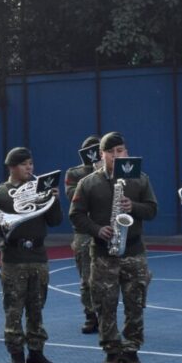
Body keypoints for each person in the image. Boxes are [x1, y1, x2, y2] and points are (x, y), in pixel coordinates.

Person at [70, 132, 157, 363]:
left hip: (134, 251)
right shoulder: (88, 182)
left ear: (127, 152)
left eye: (121, 151)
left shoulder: (140, 178)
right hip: (103, 253)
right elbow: (75, 215)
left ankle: (131, 350)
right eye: (112, 152)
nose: (117, 156)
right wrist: (97, 230)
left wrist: (133, 207)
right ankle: (111, 350)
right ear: (103, 155)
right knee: (105, 305)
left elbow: (152, 210)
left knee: (135, 303)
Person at [0, 147, 58, 363]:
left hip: (38, 256)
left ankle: (36, 352)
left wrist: (54, 200)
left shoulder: (40, 190)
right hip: (13, 258)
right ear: (12, 167)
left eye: (31, 164)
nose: (30, 168)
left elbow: (55, 220)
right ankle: (16, 354)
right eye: (24, 164)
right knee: (13, 309)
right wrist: (2, 223)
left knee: (37, 308)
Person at [64, 135, 101, 334]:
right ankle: (90, 315)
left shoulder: (110, 172)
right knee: (86, 278)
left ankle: (105, 314)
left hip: (105, 228)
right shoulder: (75, 173)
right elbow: (72, 196)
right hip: (84, 232)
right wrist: (93, 175)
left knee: (106, 277)